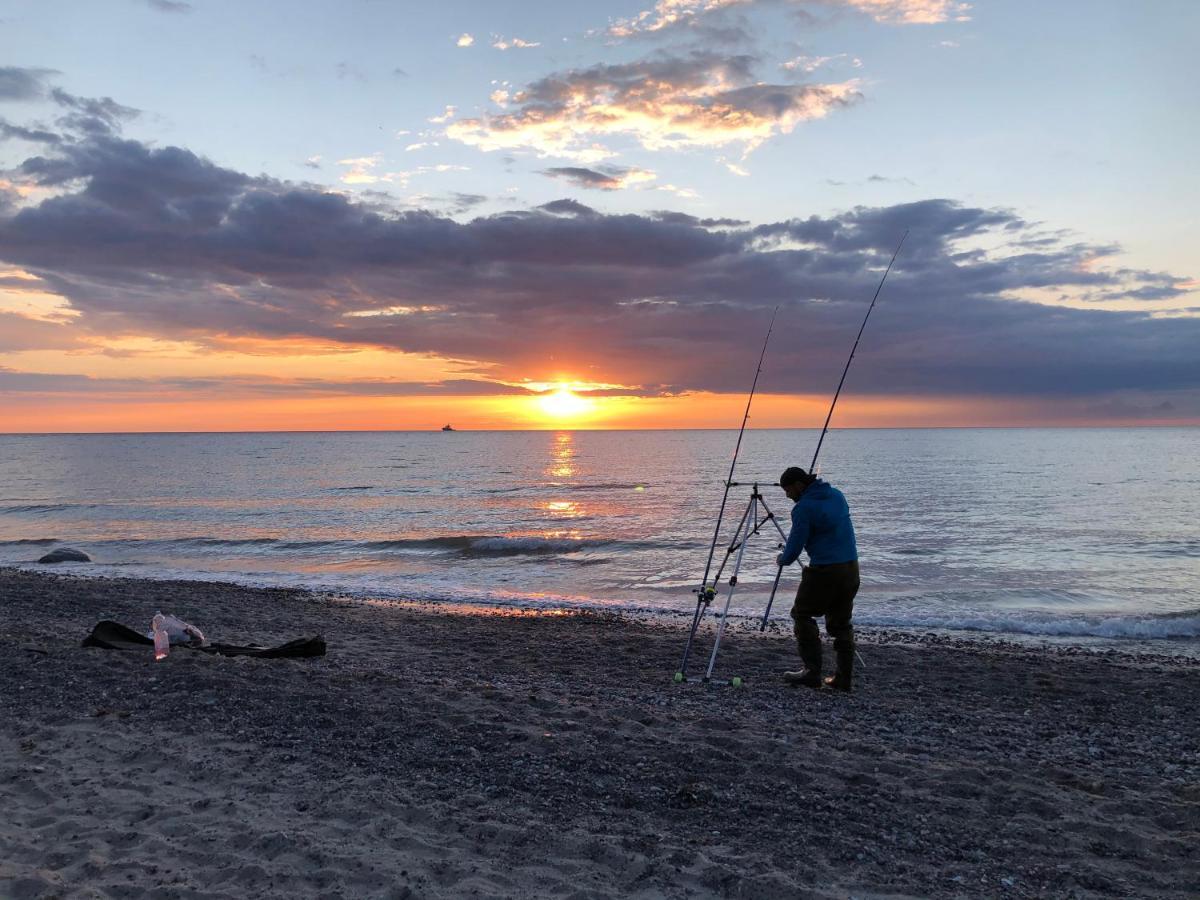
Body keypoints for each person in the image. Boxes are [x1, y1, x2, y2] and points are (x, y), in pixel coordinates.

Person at [775, 466, 860, 691]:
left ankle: (812, 672)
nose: (787, 496)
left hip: (825, 570)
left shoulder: (803, 508)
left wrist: (781, 559)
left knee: (802, 614)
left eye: (788, 490)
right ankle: (844, 679)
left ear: (799, 485)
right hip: (851, 568)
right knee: (841, 623)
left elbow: (794, 548)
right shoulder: (837, 495)